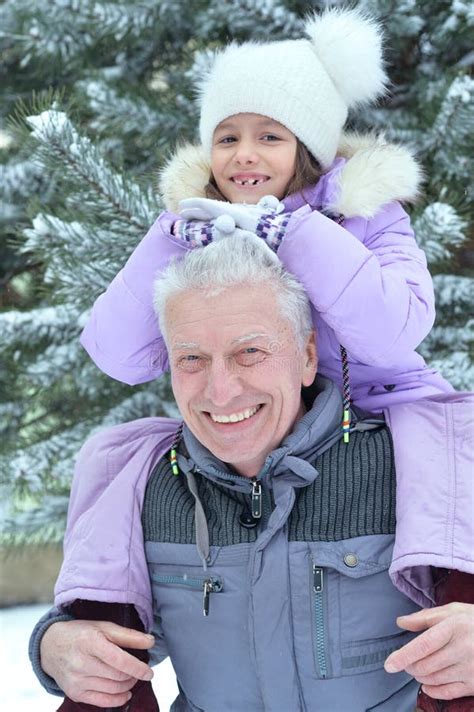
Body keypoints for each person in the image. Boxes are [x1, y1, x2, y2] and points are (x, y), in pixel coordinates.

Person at [29, 237, 474, 711]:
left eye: (250, 352)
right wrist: (53, 647)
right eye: (192, 359)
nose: (220, 392)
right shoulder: (142, 483)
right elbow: (100, 636)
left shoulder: (416, 468)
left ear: (306, 356)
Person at [80, 7, 454, 420]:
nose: (243, 155)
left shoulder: (366, 213)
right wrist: (169, 244)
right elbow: (119, 357)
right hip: (254, 424)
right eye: (226, 138)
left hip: (383, 414)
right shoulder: (196, 227)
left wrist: (295, 236)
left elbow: (393, 333)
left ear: (307, 148)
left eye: (269, 136)